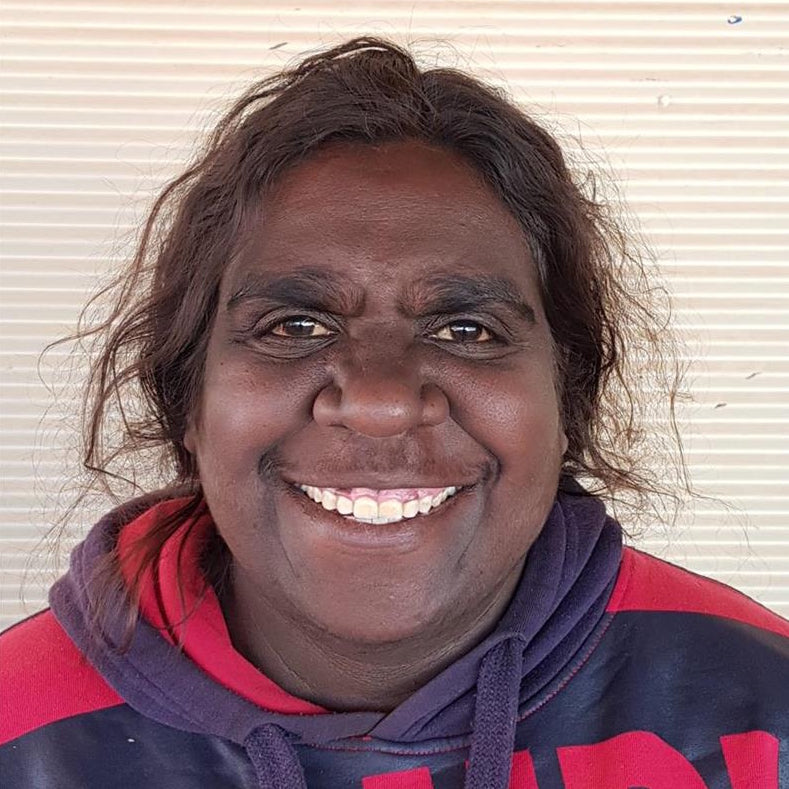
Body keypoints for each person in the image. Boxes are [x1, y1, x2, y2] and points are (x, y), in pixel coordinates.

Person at [1, 37, 786, 789]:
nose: (380, 404)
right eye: (295, 326)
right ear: (187, 399)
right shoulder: (20, 729)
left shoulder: (762, 704)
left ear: (567, 399)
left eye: (465, 330)